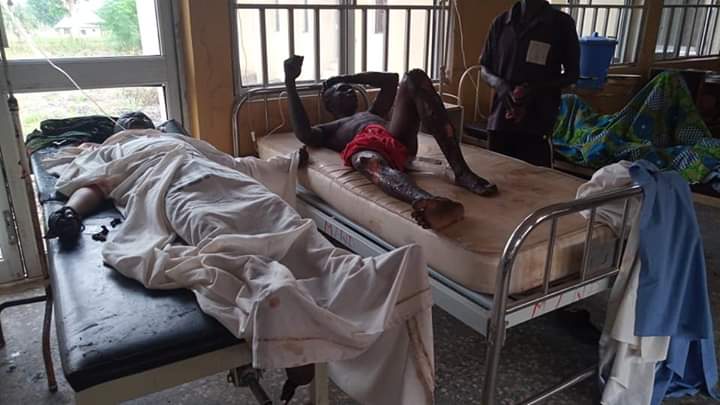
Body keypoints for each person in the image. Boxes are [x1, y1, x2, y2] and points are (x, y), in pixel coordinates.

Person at [44, 129, 434, 405]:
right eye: (130, 125)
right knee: (224, 237)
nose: (134, 126)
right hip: (178, 190)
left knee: (291, 227)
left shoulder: (181, 140)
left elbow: (234, 164)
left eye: (137, 123)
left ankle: (357, 274)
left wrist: (285, 163)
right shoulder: (119, 149)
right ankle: (275, 296)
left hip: (231, 183)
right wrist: (70, 212)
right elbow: (94, 185)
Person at [283, 55, 497, 230]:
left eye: (350, 87)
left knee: (414, 77)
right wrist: (290, 82)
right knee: (362, 158)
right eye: (341, 89)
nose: (349, 90)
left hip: (397, 140)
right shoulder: (331, 129)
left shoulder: (373, 111)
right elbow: (303, 133)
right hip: (372, 153)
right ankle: (427, 202)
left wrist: (345, 77)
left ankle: (461, 171)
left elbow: (391, 80)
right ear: (329, 103)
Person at [480, 0, 580, 167]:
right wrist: (500, 85)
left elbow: (573, 74)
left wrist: (535, 88)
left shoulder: (561, 24)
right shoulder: (501, 22)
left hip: (537, 125)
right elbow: (484, 68)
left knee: (535, 179)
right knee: (496, 176)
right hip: (500, 122)